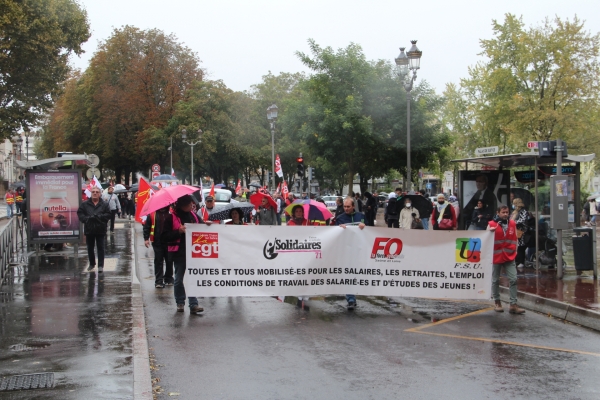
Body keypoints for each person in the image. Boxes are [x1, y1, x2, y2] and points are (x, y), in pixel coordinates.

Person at [162, 195, 211, 313]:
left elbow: (201, 227)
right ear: (183, 205)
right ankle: (180, 302)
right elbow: (164, 236)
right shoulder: (171, 218)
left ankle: (193, 304)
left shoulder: (194, 216)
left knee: (192, 277)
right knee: (179, 278)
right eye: (189, 203)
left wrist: (207, 225)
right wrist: (178, 231)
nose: (192, 205)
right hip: (179, 253)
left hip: (193, 252)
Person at [488, 205, 526, 314]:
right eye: (503, 212)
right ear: (498, 213)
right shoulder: (491, 224)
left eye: (507, 212)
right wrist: (490, 232)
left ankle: (513, 304)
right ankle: (497, 302)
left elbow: (515, 238)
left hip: (509, 256)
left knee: (513, 279)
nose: (505, 214)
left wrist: (516, 251)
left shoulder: (512, 224)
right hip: (496, 257)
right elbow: (486, 240)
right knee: (495, 280)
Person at [334, 198, 366, 310]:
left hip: (360, 250)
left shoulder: (361, 216)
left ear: (353, 206)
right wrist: (339, 229)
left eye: (348, 207)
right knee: (349, 273)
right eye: (345, 207)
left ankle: (356, 293)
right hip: (346, 250)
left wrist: (364, 226)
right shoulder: (340, 218)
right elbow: (334, 233)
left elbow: (370, 229)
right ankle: (351, 298)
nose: (346, 209)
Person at [77, 187, 111, 272]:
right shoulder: (85, 204)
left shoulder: (104, 204)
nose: (95, 193)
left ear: (99, 194)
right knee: (90, 248)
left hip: (100, 229)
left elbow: (108, 215)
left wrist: (99, 217)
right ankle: (92, 264)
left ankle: (100, 266)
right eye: (93, 192)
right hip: (89, 229)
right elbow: (80, 213)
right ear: (91, 193)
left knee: (101, 248)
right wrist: (87, 219)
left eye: (96, 192)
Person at [143, 205, 174, 288]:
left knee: (169, 260)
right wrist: (146, 238)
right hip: (157, 241)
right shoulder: (152, 214)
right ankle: (159, 281)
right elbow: (147, 227)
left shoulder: (171, 213)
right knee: (158, 260)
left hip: (169, 241)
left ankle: (168, 278)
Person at [511, 198, 530, 268]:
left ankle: (521, 261)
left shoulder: (523, 211)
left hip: (521, 232)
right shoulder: (515, 212)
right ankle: (517, 261)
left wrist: (513, 223)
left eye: (514, 203)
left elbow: (522, 220)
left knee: (520, 247)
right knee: (517, 247)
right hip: (515, 231)